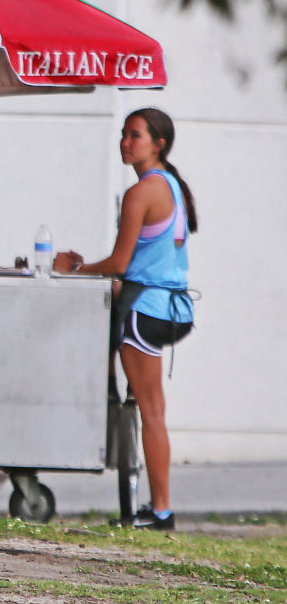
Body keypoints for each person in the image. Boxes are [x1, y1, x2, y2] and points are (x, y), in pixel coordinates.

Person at [54, 107, 196, 531]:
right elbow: (148, 262)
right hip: (172, 306)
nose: (125, 142)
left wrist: (73, 270)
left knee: (150, 412)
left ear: (159, 143)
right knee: (150, 409)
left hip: (145, 312)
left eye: (135, 135)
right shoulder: (174, 186)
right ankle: (158, 507)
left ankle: (162, 512)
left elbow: (119, 261)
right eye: (123, 134)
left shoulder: (141, 193)